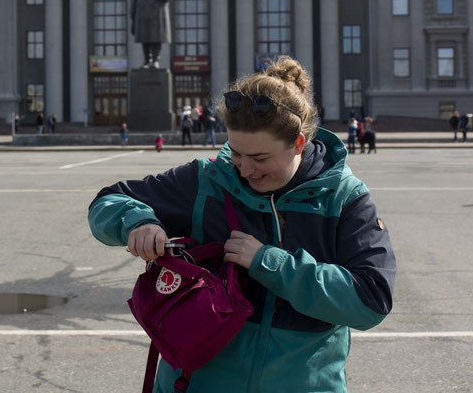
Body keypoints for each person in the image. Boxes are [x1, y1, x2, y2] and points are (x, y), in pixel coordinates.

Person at [88, 56, 396, 393]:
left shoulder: (344, 199)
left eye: (260, 158)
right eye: (236, 153)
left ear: (298, 144)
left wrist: (269, 263)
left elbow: (371, 301)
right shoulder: (206, 180)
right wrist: (138, 222)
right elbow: (108, 201)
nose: (245, 170)